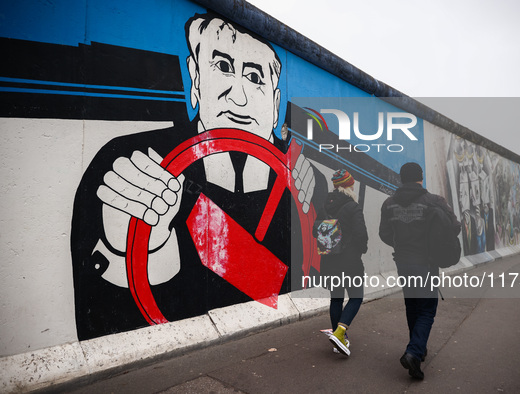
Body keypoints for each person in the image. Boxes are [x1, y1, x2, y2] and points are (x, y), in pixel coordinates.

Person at [70, 12, 320, 340]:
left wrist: (319, 214)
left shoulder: (302, 181)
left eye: (256, 77)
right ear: (196, 78)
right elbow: (101, 328)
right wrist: (128, 252)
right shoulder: (133, 163)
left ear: (275, 104)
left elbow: (318, 271)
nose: (239, 97)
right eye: (223, 67)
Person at [379, 162, 460, 379]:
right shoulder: (435, 201)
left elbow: (384, 234)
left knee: (412, 306)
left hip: (403, 263)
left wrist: (401, 245)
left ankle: (418, 347)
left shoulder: (389, 204)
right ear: (420, 178)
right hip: (426, 263)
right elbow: (455, 226)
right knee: (427, 309)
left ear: (402, 178)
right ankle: (414, 352)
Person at [317, 169, 368, 356]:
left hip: (330, 260)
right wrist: (361, 249)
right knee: (356, 296)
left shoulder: (325, 206)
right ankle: (339, 333)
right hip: (350, 261)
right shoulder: (352, 207)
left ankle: (339, 340)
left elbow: (317, 230)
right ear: (349, 185)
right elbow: (361, 234)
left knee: (336, 298)